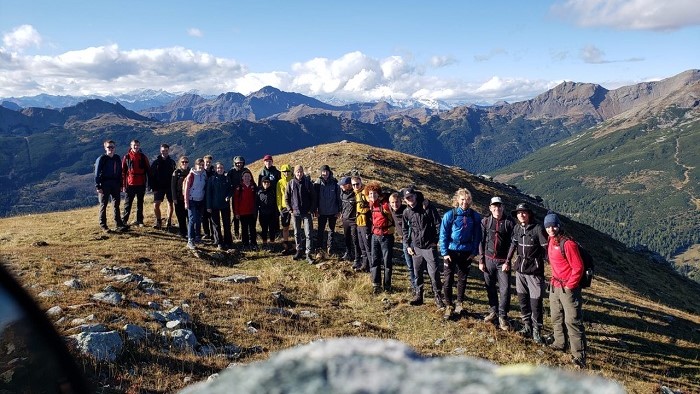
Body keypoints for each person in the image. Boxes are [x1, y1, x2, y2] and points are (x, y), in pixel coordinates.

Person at [544, 212, 587, 368]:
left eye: (553, 226)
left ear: (559, 226)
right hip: (555, 285)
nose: (551, 229)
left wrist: (570, 285)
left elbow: (578, 267)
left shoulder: (568, 244)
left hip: (568, 288)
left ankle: (579, 356)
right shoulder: (550, 241)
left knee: (572, 321)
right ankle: (560, 342)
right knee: (556, 316)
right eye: (548, 226)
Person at [506, 202, 548, 344]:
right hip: (520, 270)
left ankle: (537, 330)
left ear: (529, 214)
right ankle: (527, 326)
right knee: (523, 300)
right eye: (519, 213)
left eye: (524, 212)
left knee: (536, 302)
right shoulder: (517, 228)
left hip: (534, 271)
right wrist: (507, 260)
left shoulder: (537, 228)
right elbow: (513, 244)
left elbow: (546, 248)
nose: (521, 215)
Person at [439, 188, 481, 319]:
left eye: (468, 199)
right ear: (457, 200)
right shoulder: (450, 215)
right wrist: (445, 252)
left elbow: (477, 236)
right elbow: (443, 234)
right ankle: (448, 305)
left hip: (466, 252)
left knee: (462, 279)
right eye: (462, 199)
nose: (465, 202)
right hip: (451, 251)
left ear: (471, 201)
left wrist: (474, 252)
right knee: (448, 279)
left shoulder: (475, 216)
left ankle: (459, 303)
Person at [402, 187, 445, 308]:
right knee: (417, 272)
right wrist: (408, 244)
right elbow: (405, 230)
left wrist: (435, 241)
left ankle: (437, 297)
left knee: (434, 273)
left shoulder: (427, 207)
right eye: (407, 198)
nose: (409, 199)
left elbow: (438, 224)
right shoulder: (406, 212)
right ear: (405, 200)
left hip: (429, 247)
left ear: (415, 196)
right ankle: (419, 295)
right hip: (416, 248)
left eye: (411, 196)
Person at [479, 196, 515, 331]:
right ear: (490, 208)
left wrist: (508, 261)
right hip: (488, 260)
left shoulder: (509, 222)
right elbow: (480, 241)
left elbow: (513, 243)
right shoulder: (485, 221)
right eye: (494, 206)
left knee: (505, 290)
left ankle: (503, 316)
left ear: (502, 207)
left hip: (503, 262)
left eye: (499, 206)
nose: (497, 209)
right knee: (490, 287)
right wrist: (481, 260)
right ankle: (493, 310)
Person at [284, 165, 316, 264]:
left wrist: (311, 210)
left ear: (303, 172)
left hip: (306, 213)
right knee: (297, 233)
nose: (299, 173)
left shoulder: (308, 183)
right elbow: (286, 198)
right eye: (297, 172)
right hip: (295, 213)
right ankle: (299, 250)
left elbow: (313, 198)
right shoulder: (291, 183)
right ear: (295, 173)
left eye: (301, 172)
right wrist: (290, 210)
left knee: (308, 234)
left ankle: (308, 253)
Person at [366, 182, 394, 294]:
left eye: (374, 193)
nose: (372, 196)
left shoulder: (385, 205)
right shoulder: (371, 204)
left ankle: (387, 286)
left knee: (387, 262)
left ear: (379, 194)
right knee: (375, 260)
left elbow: (395, 209)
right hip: (375, 235)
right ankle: (376, 284)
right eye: (370, 194)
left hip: (386, 235)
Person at [94, 140, 126, 232]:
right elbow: (96, 173)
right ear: (105, 148)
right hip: (104, 184)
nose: (111, 149)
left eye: (112, 147)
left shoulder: (117, 158)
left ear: (115, 148)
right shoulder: (101, 159)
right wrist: (98, 186)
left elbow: (120, 172)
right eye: (109, 147)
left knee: (116, 204)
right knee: (103, 204)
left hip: (115, 183)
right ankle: (103, 225)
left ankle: (119, 223)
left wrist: (121, 184)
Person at [389, 191, 415, 293]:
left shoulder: (407, 210)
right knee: (410, 265)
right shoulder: (390, 209)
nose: (395, 205)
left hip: (414, 240)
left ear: (401, 201)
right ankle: (414, 286)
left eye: (397, 202)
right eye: (392, 203)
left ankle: (418, 284)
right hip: (405, 241)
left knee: (416, 265)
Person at [121, 139, 150, 226]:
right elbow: (123, 171)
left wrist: (148, 184)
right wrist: (123, 185)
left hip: (141, 183)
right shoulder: (127, 157)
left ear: (139, 146)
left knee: (140, 203)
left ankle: (139, 220)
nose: (136, 147)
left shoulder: (143, 157)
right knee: (127, 204)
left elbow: (148, 170)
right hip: (130, 184)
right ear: (131, 146)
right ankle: (124, 221)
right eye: (134, 145)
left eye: (137, 145)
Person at [314, 165, 341, 258]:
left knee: (331, 230)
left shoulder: (335, 183)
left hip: (333, 211)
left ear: (329, 172)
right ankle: (319, 249)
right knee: (320, 231)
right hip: (321, 212)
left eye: (326, 171)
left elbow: (339, 198)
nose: (325, 173)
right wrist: (315, 210)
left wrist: (339, 210)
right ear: (321, 173)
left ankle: (330, 248)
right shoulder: (317, 183)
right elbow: (315, 198)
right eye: (323, 171)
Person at [206, 162, 233, 250]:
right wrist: (209, 206)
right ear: (215, 169)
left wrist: (228, 196)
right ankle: (219, 242)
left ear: (223, 168)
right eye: (218, 168)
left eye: (221, 168)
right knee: (216, 225)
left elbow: (230, 190)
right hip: (214, 205)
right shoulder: (212, 179)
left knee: (226, 224)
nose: (220, 169)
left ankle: (228, 241)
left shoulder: (227, 179)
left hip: (225, 205)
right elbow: (208, 194)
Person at [150, 144, 176, 229]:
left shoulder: (172, 162)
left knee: (170, 203)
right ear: (160, 151)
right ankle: (158, 221)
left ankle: (168, 221)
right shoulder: (156, 162)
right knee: (156, 204)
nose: (164, 152)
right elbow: (151, 176)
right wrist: (152, 187)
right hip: (158, 187)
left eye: (166, 151)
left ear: (168, 151)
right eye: (163, 151)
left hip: (170, 187)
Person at [183, 158, 207, 250]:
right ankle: (190, 240)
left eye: (202, 164)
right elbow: (186, 190)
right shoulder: (191, 175)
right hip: (192, 200)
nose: (201, 166)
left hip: (200, 200)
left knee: (198, 219)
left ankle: (197, 237)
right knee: (192, 219)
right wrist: (186, 203)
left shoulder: (204, 174)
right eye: (199, 165)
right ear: (195, 165)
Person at [234, 170, 257, 250]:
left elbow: (256, 199)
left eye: (248, 176)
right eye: (245, 176)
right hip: (242, 212)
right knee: (244, 229)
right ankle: (245, 244)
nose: (247, 178)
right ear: (242, 178)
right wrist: (236, 212)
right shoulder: (239, 187)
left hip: (252, 212)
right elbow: (236, 201)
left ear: (251, 177)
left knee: (252, 228)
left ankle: (254, 243)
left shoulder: (253, 186)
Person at [352, 176, 371, 272]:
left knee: (368, 247)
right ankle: (365, 265)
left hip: (366, 223)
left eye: (357, 184)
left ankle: (372, 267)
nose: (355, 186)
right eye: (353, 184)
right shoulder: (356, 193)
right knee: (362, 246)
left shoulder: (365, 193)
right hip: (359, 223)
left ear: (361, 183)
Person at [227, 156, 249, 240]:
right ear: (235, 163)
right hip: (235, 195)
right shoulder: (231, 171)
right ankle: (236, 232)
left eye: (241, 162)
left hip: (245, 195)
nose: (239, 164)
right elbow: (228, 182)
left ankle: (245, 231)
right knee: (236, 213)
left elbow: (251, 180)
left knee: (245, 213)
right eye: (238, 163)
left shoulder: (246, 171)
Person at [339, 176, 358, 262]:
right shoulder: (342, 193)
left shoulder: (356, 194)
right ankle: (348, 253)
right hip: (345, 219)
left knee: (355, 239)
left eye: (343, 185)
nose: (341, 186)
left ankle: (358, 256)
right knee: (346, 237)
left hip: (354, 220)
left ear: (349, 185)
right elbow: (342, 205)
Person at [258, 175, 279, 249]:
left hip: (272, 214)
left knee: (272, 229)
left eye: (268, 182)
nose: (266, 183)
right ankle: (264, 243)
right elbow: (256, 203)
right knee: (264, 229)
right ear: (262, 183)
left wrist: (277, 213)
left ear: (270, 183)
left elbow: (276, 203)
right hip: (262, 214)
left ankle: (272, 243)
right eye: (264, 182)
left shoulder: (273, 191)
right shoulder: (259, 191)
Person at [276, 164, 294, 255]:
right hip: (284, 208)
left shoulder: (294, 181)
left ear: (291, 172)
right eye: (284, 172)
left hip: (294, 207)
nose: (286, 173)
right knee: (285, 227)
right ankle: (286, 245)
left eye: (288, 171)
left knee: (296, 227)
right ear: (282, 173)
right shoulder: (279, 182)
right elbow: (278, 195)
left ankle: (297, 246)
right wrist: (279, 207)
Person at [171, 156, 190, 238]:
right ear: (180, 163)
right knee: (180, 216)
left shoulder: (191, 172)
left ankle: (190, 232)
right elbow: (173, 186)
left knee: (189, 216)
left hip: (189, 198)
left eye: (186, 162)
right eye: (183, 162)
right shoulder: (176, 172)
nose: (184, 163)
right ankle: (183, 232)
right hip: (179, 198)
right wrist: (174, 198)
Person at [201, 155, 215, 240]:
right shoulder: (201, 171)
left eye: (209, 162)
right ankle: (206, 233)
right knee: (204, 216)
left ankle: (213, 233)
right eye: (206, 162)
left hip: (212, 197)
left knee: (212, 217)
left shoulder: (214, 171)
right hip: (202, 196)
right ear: (204, 162)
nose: (208, 163)